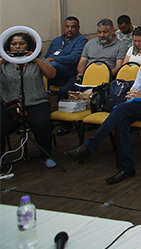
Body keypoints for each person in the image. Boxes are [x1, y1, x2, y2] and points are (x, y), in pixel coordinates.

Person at [63, 35, 141, 184]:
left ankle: (90, 146)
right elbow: (136, 86)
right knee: (121, 122)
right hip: (139, 103)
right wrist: (133, 94)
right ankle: (127, 167)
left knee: (122, 111)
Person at [0, 32, 56, 168]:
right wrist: (2, 60)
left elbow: (52, 74)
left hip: (36, 102)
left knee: (41, 125)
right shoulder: (3, 64)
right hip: (10, 105)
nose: (17, 47)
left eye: (21, 43)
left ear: (28, 45)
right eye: (14, 44)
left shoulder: (37, 59)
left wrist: (35, 59)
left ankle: (46, 156)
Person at [56, 18, 128, 114]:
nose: (101, 35)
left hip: (106, 79)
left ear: (112, 31)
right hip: (86, 77)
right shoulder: (90, 43)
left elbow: (118, 67)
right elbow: (82, 62)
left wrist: (104, 76)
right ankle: (65, 123)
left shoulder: (121, 46)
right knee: (63, 91)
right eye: (99, 32)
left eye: (104, 32)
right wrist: (82, 74)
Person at [44, 16, 87, 86]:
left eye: (73, 27)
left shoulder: (81, 40)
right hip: (52, 69)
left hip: (68, 71)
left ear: (78, 28)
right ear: (63, 27)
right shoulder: (57, 40)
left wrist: (54, 59)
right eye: (67, 27)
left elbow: (74, 58)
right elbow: (47, 56)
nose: (69, 29)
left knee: (52, 65)